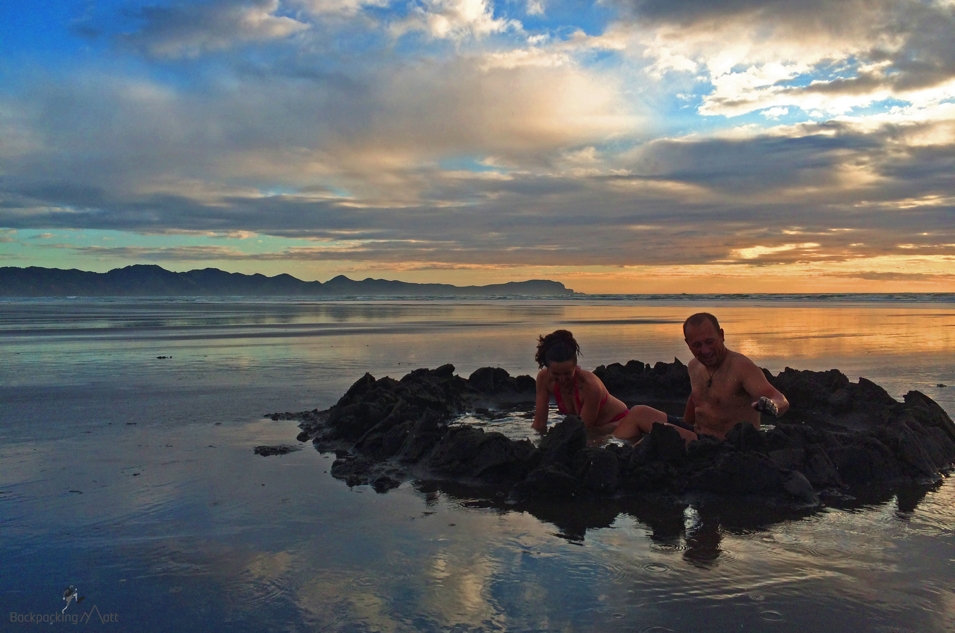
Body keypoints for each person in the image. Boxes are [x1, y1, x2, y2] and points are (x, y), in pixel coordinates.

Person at [613, 312, 789, 442]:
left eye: (709, 342)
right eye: (697, 345)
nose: (705, 351)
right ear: (688, 344)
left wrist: (772, 405)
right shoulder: (694, 366)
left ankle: (628, 460)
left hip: (723, 445)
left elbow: (780, 399)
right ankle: (615, 451)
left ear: (721, 335)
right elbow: (696, 398)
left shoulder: (741, 367)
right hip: (697, 434)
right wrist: (683, 426)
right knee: (638, 412)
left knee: (662, 433)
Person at [532, 330, 697, 442]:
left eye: (567, 374)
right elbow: (539, 421)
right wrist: (538, 442)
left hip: (622, 424)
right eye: (556, 375)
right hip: (600, 429)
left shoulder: (590, 386)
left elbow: (583, 430)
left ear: (576, 366)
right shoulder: (544, 379)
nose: (562, 379)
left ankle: (694, 436)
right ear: (547, 368)